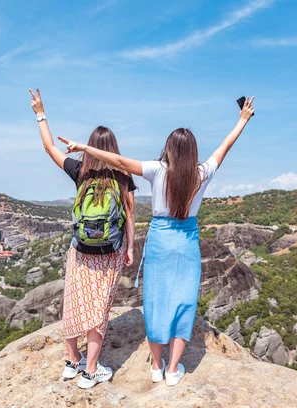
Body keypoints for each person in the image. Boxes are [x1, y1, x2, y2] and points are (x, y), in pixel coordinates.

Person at [58, 97, 256, 386]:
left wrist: (86, 148)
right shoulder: (202, 173)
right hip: (187, 241)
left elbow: (118, 161)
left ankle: (155, 364)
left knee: (156, 302)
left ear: (168, 149)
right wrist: (243, 119)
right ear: (193, 152)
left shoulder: (157, 170)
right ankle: (173, 368)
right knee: (183, 302)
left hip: (161, 241)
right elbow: (225, 146)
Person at [29, 88, 136, 389]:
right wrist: (130, 247)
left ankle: (73, 360)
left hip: (80, 252)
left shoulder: (80, 172)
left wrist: (40, 113)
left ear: (90, 148)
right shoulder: (123, 177)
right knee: (98, 310)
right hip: (109, 253)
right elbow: (129, 213)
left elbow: (50, 147)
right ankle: (90, 371)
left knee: (75, 304)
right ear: (112, 149)